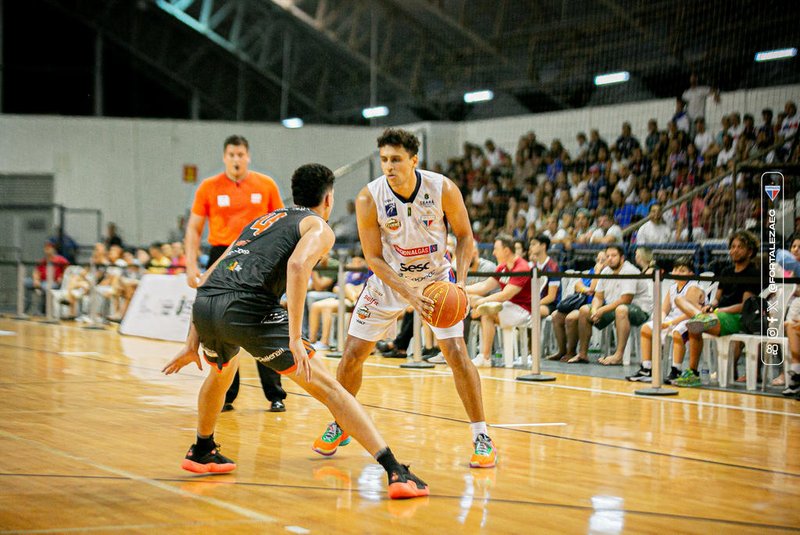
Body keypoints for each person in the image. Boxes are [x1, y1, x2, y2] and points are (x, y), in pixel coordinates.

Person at [162, 164, 429, 499]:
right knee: (331, 389)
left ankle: (202, 449)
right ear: (328, 199)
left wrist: (192, 341)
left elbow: (212, 274)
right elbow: (299, 265)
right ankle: (395, 470)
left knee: (221, 371)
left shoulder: (263, 221)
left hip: (207, 305)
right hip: (248, 310)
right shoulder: (318, 226)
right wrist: (294, 337)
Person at [311, 129, 497, 469]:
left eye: (395, 159)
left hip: (435, 280)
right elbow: (373, 257)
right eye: (384, 159)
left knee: (456, 354)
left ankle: (482, 436)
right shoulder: (369, 198)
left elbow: (465, 236)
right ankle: (341, 422)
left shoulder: (442, 189)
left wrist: (461, 284)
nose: (388, 166)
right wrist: (407, 293)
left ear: (414, 160)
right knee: (352, 355)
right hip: (389, 282)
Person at [184, 135, 287, 413]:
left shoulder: (265, 185)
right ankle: (227, 394)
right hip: (221, 255)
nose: (236, 159)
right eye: (231, 154)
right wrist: (191, 265)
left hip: (258, 255)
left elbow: (280, 224)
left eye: (241, 154)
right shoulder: (209, 187)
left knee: (262, 319)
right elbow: (194, 228)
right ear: (224, 157)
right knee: (221, 322)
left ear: (248, 156)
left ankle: (275, 394)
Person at [676, 231, 760, 387]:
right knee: (689, 317)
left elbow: (744, 306)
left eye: (740, 247)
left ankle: (693, 371)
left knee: (695, 325)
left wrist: (721, 311)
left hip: (737, 318)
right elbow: (716, 299)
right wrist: (711, 306)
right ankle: (693, 373)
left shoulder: (753, 273)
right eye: (733, 247)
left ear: (750, 251)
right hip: (717, 315)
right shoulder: (726, 271)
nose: (735, 250)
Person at [626, 256, 705, 384]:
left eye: (682, 270)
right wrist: (661, 321)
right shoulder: (673, 287)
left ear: (691, 274)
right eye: (675, 269)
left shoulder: (693, 287)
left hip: (689, 320)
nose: (677, 273)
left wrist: (671, 323)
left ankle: (676, 370)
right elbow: (664, 310)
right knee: (646, 328)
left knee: (677, 332)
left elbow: (690, 313)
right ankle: (647, 369)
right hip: (673, 319)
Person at [574, 245, 652, 365]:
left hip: (639, 310)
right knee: (585, 310)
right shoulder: (606, 271)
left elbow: (626, 299)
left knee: (621, 309)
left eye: (614, 256)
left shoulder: (629, 271)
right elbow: (598, 296)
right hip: (613, 308)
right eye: (608, 256)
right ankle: (583, 354)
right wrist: (595, 309)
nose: (610, 259)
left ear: (622, 258)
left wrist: (602, 310)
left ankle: (618, 355)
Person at [466, 235, 532, 368]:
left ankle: (485, 357)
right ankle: (485, 357)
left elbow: (505, 295)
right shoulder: (502, 267)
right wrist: (461, 288)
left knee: (487, 312)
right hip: (507, 306)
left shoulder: (522, 267)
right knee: (474, 300)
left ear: (506, 250)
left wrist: (481, 303)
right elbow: (484, 286)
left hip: (523, 309)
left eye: (496, 249)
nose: (493, 252)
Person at [25, 240, 70, 315]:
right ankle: (27, 308)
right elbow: (36, 271)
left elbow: (68, 270)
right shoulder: (43, 260)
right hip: (41, 281)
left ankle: (44, 310)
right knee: (25, 282)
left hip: (54, 282)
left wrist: (62, 277)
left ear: (53, 249)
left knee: (45, 287)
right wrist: (36, 280)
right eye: (46, 248)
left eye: (49, 248)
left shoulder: (61, 260)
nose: (47, 250)